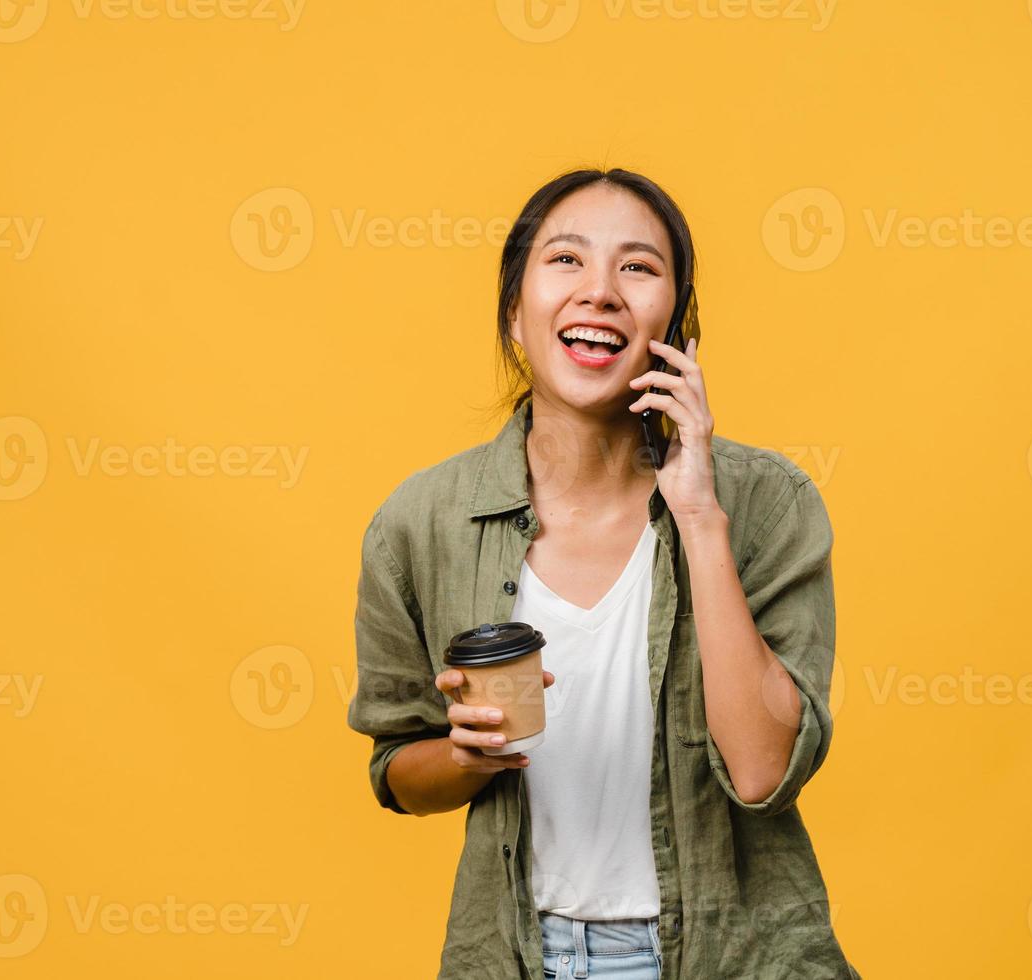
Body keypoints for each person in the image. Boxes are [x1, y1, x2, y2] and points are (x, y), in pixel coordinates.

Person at [346, 168, 860, 979]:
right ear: (515, 314)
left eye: (638, 267)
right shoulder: (420, 522)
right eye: (566, 261)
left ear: (677, 327)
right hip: (518, 956)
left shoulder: (767, 503)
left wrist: (697, 514)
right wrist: (464, 756)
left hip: (735, 957)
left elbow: (763, 772)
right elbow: (398, 772)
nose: (600, 292)